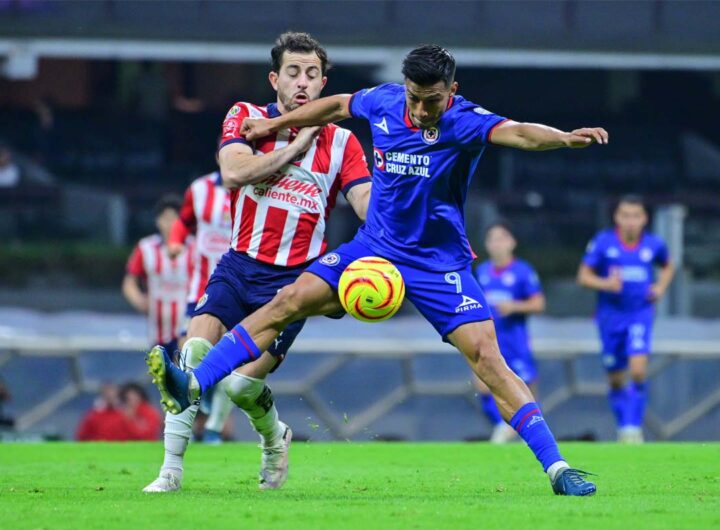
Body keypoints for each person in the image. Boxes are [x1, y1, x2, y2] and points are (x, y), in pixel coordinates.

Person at [148, 44, 607, 496]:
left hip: (438, 263)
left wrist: (564, 138)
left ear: (452, 91)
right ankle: (194, 384)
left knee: (488, 358)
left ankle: (558, 468)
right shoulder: (386, 100)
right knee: (287, 301)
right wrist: (275, 123)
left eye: (432, 100)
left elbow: (522, 133)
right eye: (414, 98)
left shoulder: (465, 120)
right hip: (374, 248)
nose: (422, 110)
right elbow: (338, 105)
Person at [142, 32, 371, 493]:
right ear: (275, 79)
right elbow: (233, 172)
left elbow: (366, 204)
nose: (302, 82)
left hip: (293, 283)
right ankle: (170, 472)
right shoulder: (245, 117)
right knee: (191, 356)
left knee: (240, 389)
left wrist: (403, 224)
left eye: (311, 74)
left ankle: (274, 439)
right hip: (239, 264)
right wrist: (294, 146)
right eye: (293, 72)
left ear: (324, 83)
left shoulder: (343, 143)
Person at [577, 195, 674, 443]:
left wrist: (661, 288)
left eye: (636, 216)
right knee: (616, 377)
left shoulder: (653, 245)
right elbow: (584, 277)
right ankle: (624, 426)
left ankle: (633, 428)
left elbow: (667, 265)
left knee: (639, 371)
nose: (630, 221)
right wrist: (606, 283)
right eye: (625, 215)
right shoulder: (603, 242)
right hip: (610, 317)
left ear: (644, 219)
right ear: (617, 217)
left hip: (639, 313)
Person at [169, 168, 234, 444]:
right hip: (201, 287)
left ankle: (213, 429)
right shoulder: (199, 189)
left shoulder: (258, 183)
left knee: (233, 362)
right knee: (188, 349)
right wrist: (175, 241)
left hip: (237, 286)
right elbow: (184, 221)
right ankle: (196, 403)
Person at [473, 222, 545, 443]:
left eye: (502, 238)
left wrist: (514, 307)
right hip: (489, 341)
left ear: (512, 242)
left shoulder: (523, 271)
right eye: (493, 239)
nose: (497, 243)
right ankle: (503, 429)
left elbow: (538, 304)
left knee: (524, 390)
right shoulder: (482, 272)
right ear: (486, 244)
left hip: (516, 343)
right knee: (483, 387)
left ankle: (528, 433)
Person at [122, 194, 193, 354]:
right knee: (161, 374)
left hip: (188, 329)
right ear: (157, 221)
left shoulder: (194, 248)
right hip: (157, 331)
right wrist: (139, 300)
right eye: (165, 218)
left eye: (174, 218)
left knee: (185, 373)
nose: (170, 224)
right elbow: (129, 282)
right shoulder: (146, 248)